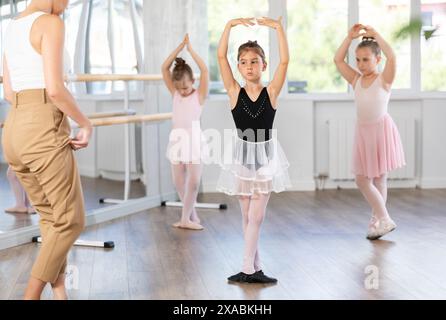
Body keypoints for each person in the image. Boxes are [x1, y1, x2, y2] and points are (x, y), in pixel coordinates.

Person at [1, 0, 93, 299]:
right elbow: (54, 89)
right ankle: (30, 296)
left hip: (14, 127)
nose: (66, 6)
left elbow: (9, 92)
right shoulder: (50, 23)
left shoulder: (11, 26)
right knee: (72, 219)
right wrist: (85, 123)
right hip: (43, 126)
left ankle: (60, 292)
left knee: (51, 219)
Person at [216, 17, 291, 283]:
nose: (249, 67)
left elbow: (285, 61)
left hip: (266, 156)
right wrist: (230, 25)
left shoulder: (271, 91)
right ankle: (253, 268)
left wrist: (278, 29)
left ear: (263, 65)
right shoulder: (234, 91)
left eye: (254, 62)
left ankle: (248, 268)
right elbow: (221, 57)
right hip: (242, 156)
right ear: (238, 66)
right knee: (247, 216)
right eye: (244, 62)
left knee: (256, 217)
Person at [334, 24, 405, 240]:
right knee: (366, 179)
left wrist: (377, 35)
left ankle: (382, 219)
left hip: (381, 130)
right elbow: (338, 60)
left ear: (377, 60)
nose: (361, 64)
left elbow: (392, 57)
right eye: (358, 59)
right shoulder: (356, 80)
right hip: (364, 132)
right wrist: (349, 37)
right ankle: (378, 221)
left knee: (375, 179)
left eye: (366, 59)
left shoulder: (384, 80)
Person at [162, 34, 209, 230]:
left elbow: (205, 69)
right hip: (177, 141)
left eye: (186, 86)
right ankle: (190, 215)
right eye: (178, 88)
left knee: (195, 180)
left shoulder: (199, 95)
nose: (182, 91)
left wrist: (190, 51)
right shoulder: (175, 93)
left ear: (193, 81)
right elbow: (164, 68)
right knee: (178, 181)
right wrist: (179, 47)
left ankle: (185, 219)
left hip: (193, 141)